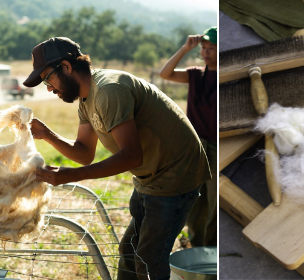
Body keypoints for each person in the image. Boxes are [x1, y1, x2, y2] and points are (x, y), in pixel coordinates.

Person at [25, 37, 212, 280]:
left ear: (67, 67)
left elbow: (131, 156)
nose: (48, 87)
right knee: (129, 250)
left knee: (148, 258)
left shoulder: (108, 90)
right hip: (150, 176)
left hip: (175, 175)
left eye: (48, 78)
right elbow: (84, 153)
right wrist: (47, 135)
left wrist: (73, 176)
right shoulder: (86, 99)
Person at [159, 27, 217, 247]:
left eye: (212, 48)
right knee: (195, 199)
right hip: (195, 146)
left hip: (216, 147)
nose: (206, 52)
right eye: (204, 48)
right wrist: (185, 48)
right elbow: (165, 73)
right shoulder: (195, 74)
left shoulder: (226, 76)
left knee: (213, 201)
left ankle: (211, 250)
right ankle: (197, 246)